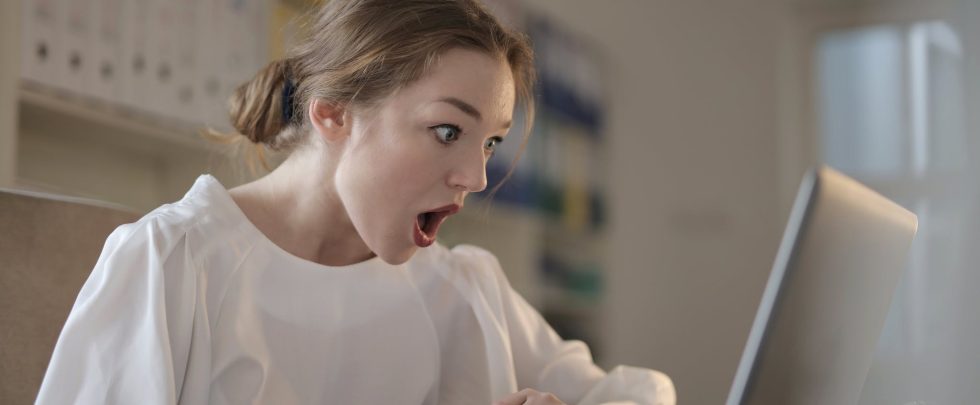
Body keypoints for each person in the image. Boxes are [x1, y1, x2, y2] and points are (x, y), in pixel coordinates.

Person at [36, 0, 675, 404]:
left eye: (491, 143)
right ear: (334, 114)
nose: (476, 179)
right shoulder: (173, 264)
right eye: (448, 131)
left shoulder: (464, 286)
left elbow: (627, 396)